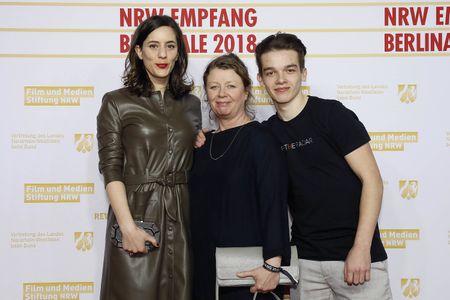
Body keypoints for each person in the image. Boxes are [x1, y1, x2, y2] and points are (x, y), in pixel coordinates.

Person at [255, 33, 393, 300]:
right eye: (271, 72)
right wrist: (202, 137)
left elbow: (372, 181)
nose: (281, 79)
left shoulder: (332, 115)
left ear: (303, 73)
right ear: (261, 80)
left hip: (357, 259)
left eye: (289, 70)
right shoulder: (266, 133)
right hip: (305, 264)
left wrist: (361, 248)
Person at [97, 15, 201, 300]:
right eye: (153, 46)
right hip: (137, 213)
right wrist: (127, 227)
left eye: (170, 46)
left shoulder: (191, 104)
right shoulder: (116, 101)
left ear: (179, 51)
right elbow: (111, 168)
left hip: (181, 215)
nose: (163, 54)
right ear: (139, 52)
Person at [189, 53, 291, 300]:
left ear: (246, 92)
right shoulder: (201, 144)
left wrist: (273, 265)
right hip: (201, 266)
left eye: (231, 86)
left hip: (247, 271)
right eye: (214, 87)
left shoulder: (261, 139)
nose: (221, 93)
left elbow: (273, 204)